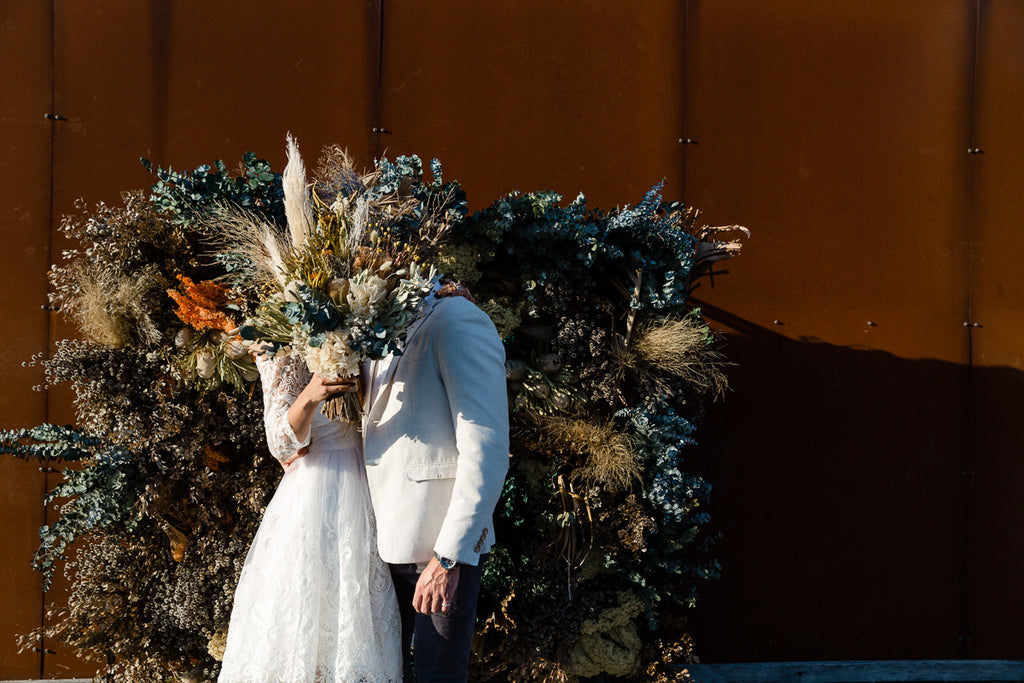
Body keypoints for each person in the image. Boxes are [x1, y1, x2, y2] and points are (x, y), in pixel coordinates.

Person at [217, 354, 402, 682]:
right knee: (308, 630)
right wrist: (310, 395)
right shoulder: (280, 344)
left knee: (359, 626)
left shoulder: (370, 332)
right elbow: (280, 443)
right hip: (317, 497)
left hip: (377, 486)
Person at [361, 284, 510, 682]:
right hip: (377, 545)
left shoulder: (457, 319)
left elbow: (487, 448)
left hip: (437, 549)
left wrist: (449, 557)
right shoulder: (369, 325)